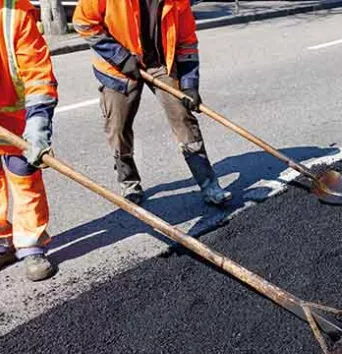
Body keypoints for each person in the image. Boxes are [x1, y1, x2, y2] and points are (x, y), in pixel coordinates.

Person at [73, 0, 231, 206]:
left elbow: (186, 41)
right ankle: (129, 182)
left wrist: (189, 84)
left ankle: (209, 184)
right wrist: (120, 57)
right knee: (118, 126)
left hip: (160, 63)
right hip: (118, 68)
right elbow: (84, 22)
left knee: (183, 116)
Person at [0, 0, 59, 281]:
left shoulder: (14, 13)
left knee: (24, 176)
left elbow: (37, 72)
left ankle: (31, 244)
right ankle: (0, 240)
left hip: (15, 119)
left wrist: (38, 122)